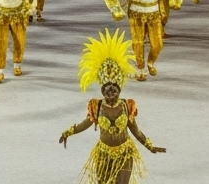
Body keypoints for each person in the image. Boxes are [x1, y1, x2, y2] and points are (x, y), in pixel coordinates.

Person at [59, 29, 166, 184]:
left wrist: (150, 146)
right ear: (102, 90)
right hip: (103, 154)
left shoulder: (127, 106)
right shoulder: (96, 107)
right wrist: (68, 133)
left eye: (113, 89)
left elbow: (135, 130)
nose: (110, 93)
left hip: (125, 154)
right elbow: (84, 124)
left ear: (119, 89)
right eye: (106, 89)